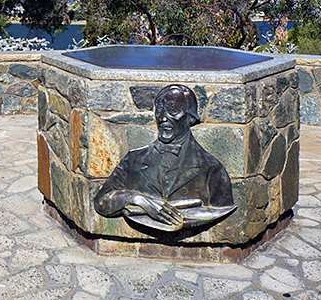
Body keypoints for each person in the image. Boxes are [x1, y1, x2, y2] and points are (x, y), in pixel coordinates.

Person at [94, 84, 236, 232]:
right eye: (159, 110)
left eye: (172, 111)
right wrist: (137, 199)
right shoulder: (133, 160)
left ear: (190, 118)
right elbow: (101, 202)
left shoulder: (211, 168)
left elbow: (225, 219)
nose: (162, 118)